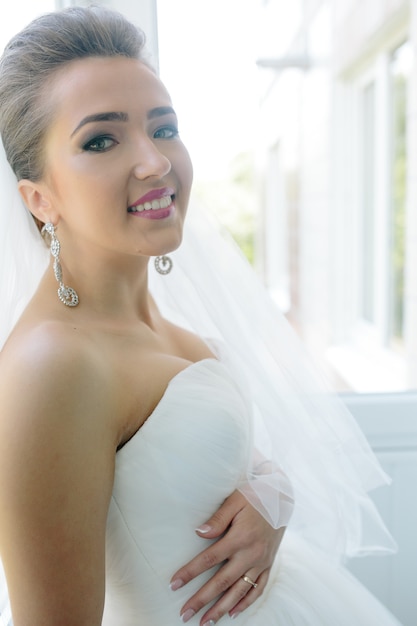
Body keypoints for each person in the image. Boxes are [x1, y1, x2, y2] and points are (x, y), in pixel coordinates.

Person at [0, 6, 403, 626]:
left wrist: (272, 498)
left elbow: (199, 468)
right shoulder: (52, 365)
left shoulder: (165, 329)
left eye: (163, 128)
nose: (155, 161)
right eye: (101, 139)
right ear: (38, 198)